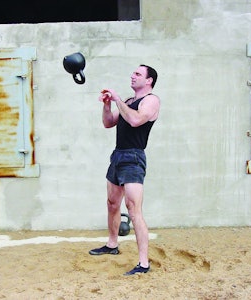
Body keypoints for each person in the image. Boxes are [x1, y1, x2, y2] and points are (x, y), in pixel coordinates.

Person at [89, 64, 160, 276]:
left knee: (133, 209)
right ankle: (112, 245)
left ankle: (143, 263)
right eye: (132, 73)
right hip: (118, 155)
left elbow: (136, 120)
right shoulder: (129, 102)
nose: (133, 76)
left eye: (138, 74)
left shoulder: (151, 100)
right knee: (112, 204)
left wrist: (118, 99)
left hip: (134, 157)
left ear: (149, 80)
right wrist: (108, 105)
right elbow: (109, 123)